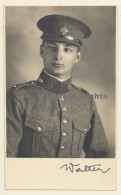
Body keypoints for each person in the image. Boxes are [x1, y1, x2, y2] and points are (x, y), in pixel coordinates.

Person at [7, 14, 109, 158]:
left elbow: (101, 158)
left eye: (67, 50)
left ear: (77, 57)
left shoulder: (86, 101)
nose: (58, 56)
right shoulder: (19, 97)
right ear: (42, 51)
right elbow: (6, 161)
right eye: (52, 48)